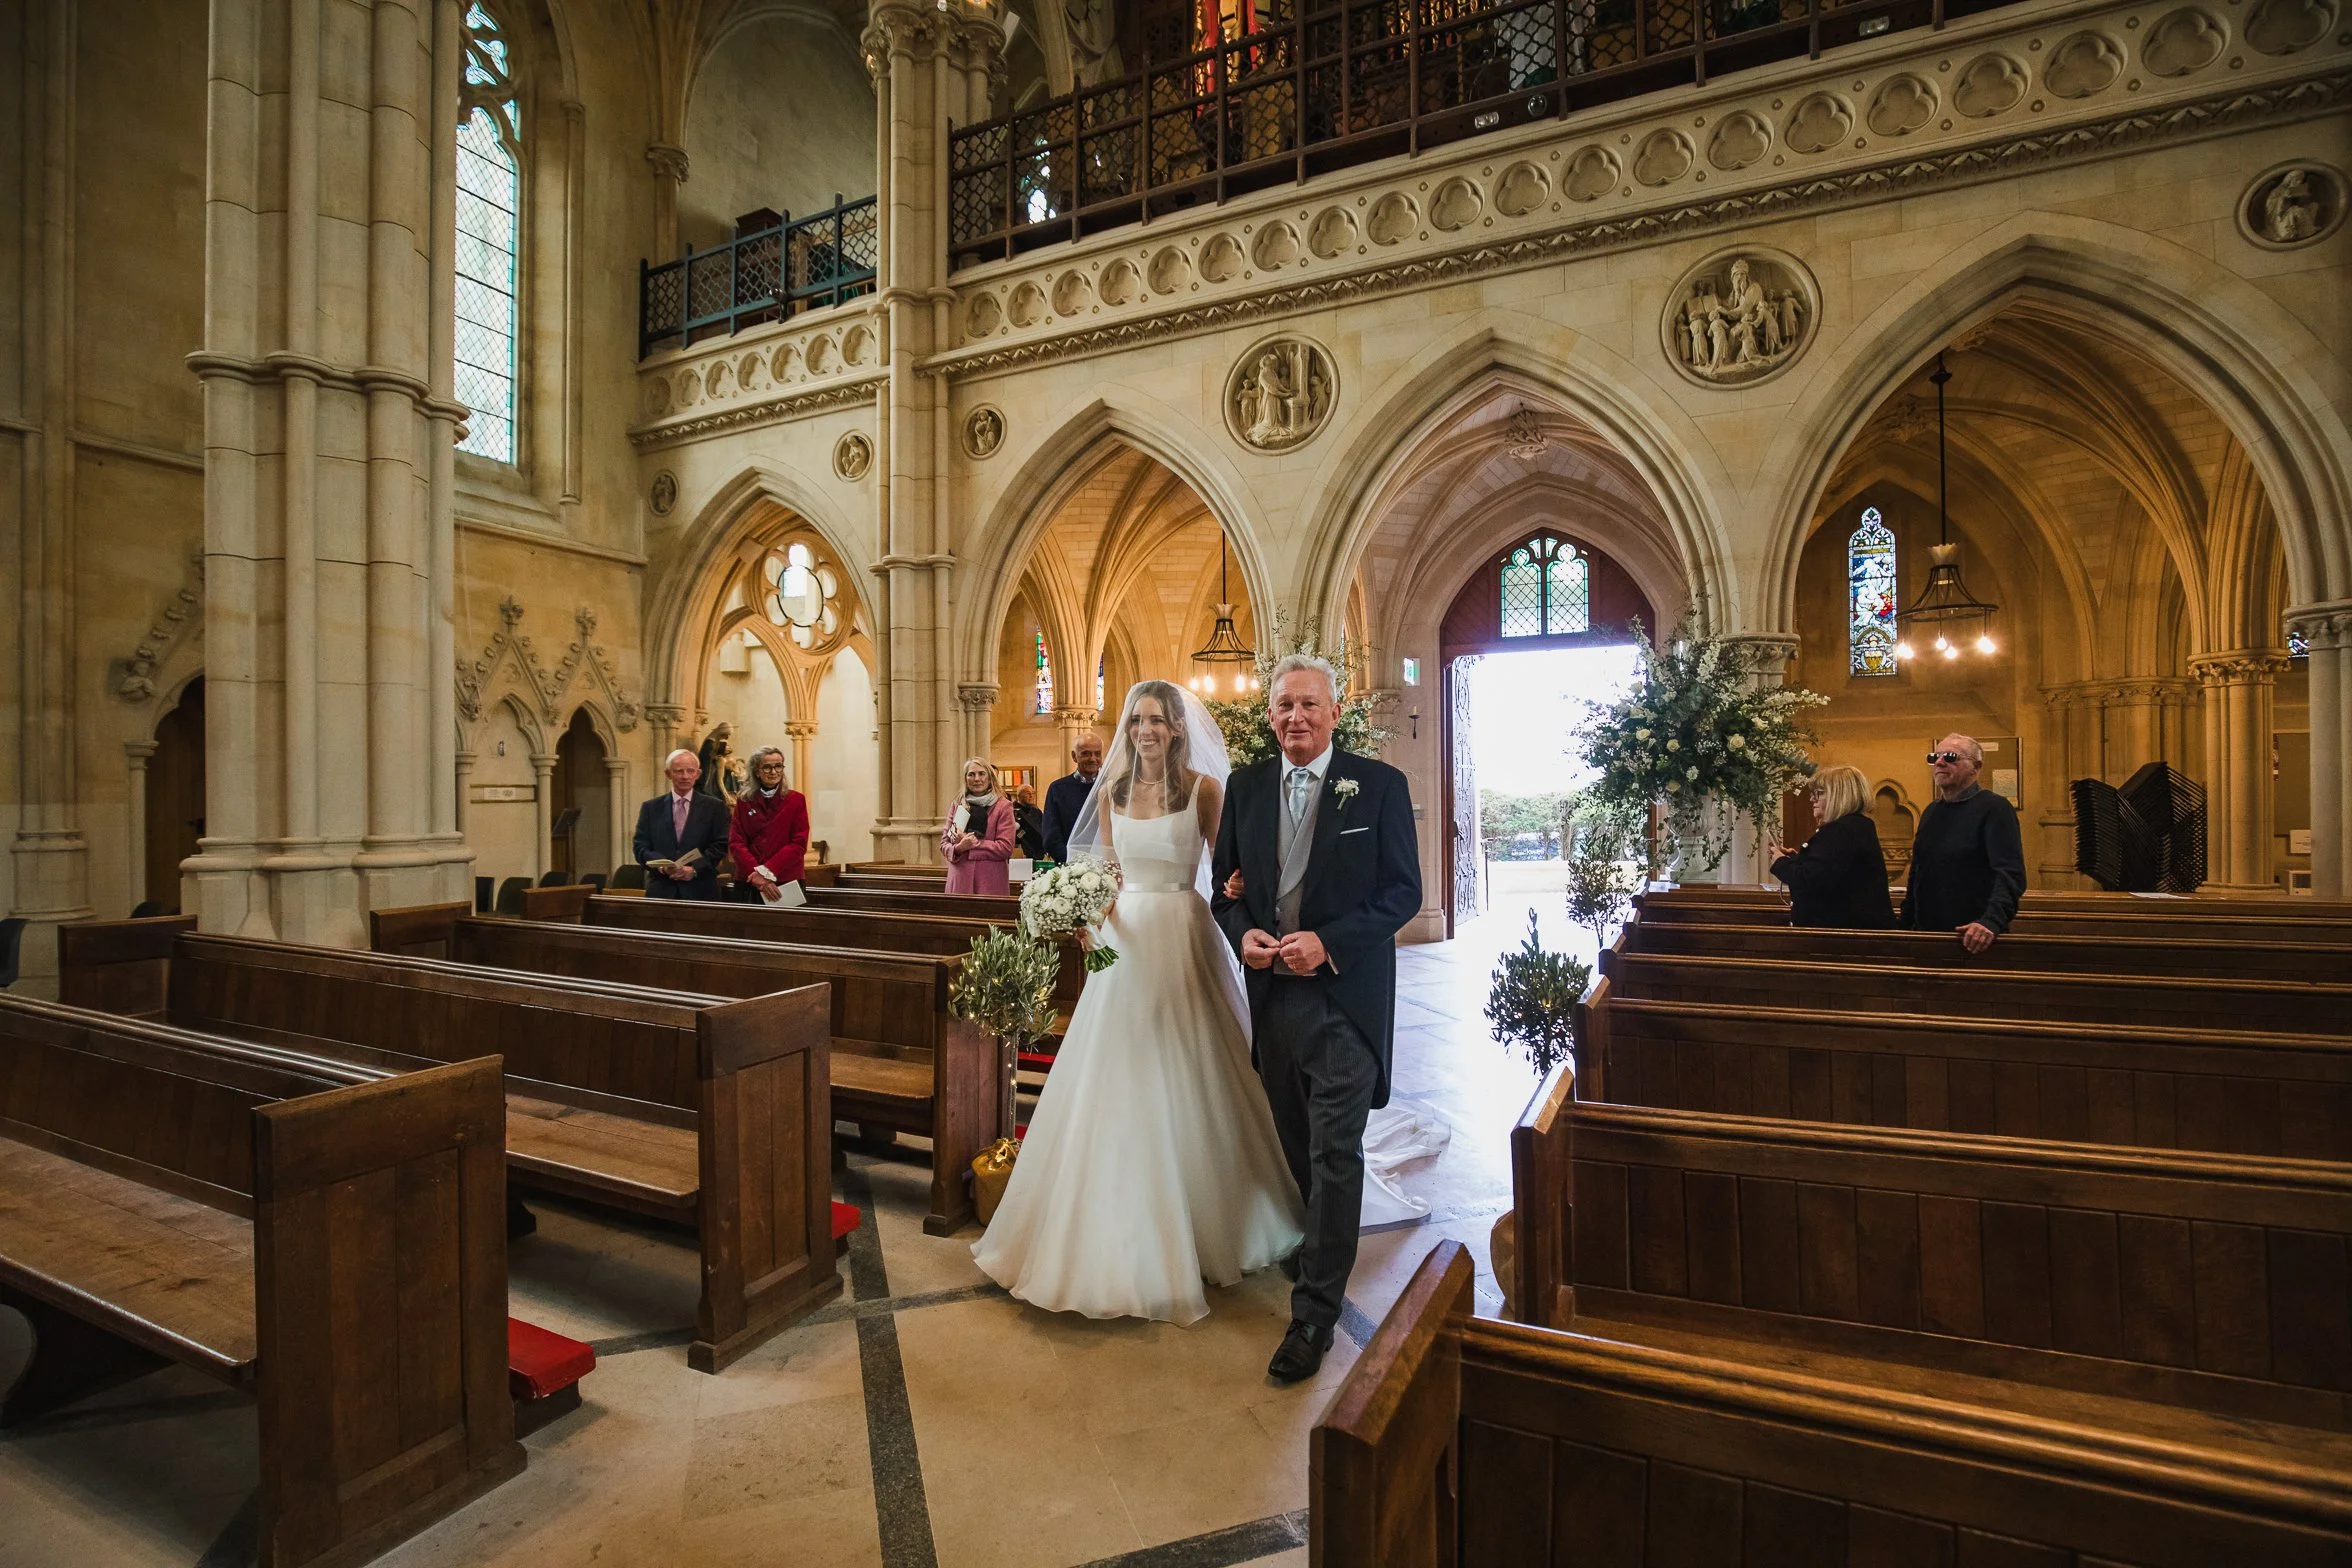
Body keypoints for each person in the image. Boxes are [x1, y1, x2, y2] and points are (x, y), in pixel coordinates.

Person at [972, 682, 1303, 1324]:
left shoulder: (1204, 789)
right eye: (1138, 720)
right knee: (1112, 1078)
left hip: (1182, 932)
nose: (1146, 730)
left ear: (1178, 729)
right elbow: (1104, 871)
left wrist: (1238, 887)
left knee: (1192, 1066)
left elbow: (1228, 865)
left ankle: (1221, 1216)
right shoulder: (1116, 791)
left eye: (1157, 720)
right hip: (1122, 944)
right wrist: (1083, 911)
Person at [1211, 655, 1421, 1383]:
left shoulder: (1380, 787)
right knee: (1297, 1142)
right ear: (1269, 716)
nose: (1295, 717)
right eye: (1283, 706)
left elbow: (1402, 893)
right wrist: (1244, 932)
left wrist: (1327, 943)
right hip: (1273, 1002)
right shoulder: (1244, 788)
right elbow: (1225, 891)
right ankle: (1321, 1240)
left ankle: (1314, 1316)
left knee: (1337, 1152)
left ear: (1334, 713)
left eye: (1309, 704)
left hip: (1344, 999)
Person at [1900, 733, 2026, 953]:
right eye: (1934, 757)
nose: (1939, 762)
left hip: (1972, 937)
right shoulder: (1932, 811)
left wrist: (1990, 922)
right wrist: (1905, 925)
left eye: (1950, 757)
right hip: (1926, 935)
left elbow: (2010, 873)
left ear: (1976, 767)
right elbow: (1918, 872)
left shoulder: (1995, 808)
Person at [1767, 764, 1895, 928]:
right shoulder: (1855, 826)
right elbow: (1831, 870)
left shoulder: (1842, 830)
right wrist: (1795, 860)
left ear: (1839, 796)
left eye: (1818, 793)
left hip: (1843, 937)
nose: (1812, 799)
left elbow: (1811, 880)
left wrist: (1780, 862)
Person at [633, 749, 731, 900]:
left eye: (690, 771)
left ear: (698, 774)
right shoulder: (650, 808)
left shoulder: (715, 807)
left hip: (701, 890)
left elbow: (721, 844)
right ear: (668, 774)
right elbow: (640, 847)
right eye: (679, 771)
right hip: (661, 890)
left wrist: (694, 869)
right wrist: (662, 866)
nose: (685, 776)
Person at [729, 745, 811, 901]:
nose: (774, 772)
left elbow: (799, 843)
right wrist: (756, 875)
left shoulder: (796, 800)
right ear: (757, 771)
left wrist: (766, 871)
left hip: (785, 878)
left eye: (778, 766)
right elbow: (736, 842)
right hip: (749, 879)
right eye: (767, 767)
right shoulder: (744, 801)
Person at [942, 758, 1017, 894]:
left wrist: (973, 844)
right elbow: (945, 844)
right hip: (960, 882)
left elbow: (1005, 848)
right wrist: (959, 848)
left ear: (990, 778)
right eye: (971, 774)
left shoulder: (1003, 806)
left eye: (981, 774)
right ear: (966, 778)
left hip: (989, 882)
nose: (977, 779)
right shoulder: (958, 804)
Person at [1040, 732, 1104, 864]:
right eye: (1086, 753)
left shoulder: (1111, 787)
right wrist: (1075, 864)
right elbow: (1051, 837)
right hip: (1070, 868)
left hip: (1107, 865)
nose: (1093, 758)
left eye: (1097, 753)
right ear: (1074, 756)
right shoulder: (1058, 788)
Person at [1010, 784, 1046, 862]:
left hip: (1039, 853)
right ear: (1019, 795)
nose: (1031, 796)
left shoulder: (1036, 811)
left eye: (1032, 793)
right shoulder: (1012, 811)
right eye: (1028, 793)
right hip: (1020, 853)